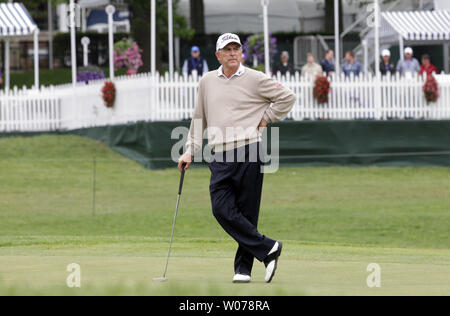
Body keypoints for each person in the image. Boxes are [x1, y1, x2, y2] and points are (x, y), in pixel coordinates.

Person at [178, 33, 296, 284]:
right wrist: (190, 149)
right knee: (221, 208)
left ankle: (243, 269)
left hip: (249, 150)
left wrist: (266, 118)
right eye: (227, 49)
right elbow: (199, 119)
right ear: (218, 55)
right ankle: (269, 248)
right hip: (220, 154)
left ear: (241, 53)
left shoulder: (255, 78)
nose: (232, 53)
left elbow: (287, 97)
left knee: (247, 211)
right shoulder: (207, 81)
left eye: (236, 48)